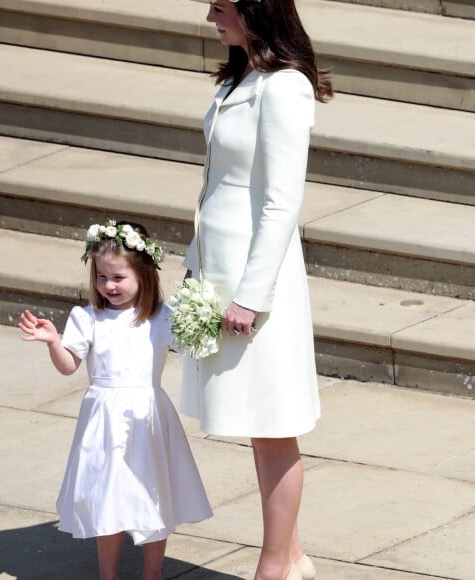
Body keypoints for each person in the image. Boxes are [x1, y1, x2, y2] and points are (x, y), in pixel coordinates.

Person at [181, 1, 333, 579]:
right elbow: (214, 183)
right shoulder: (240, 74)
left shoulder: (284, 88)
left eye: (220, 7)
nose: (209, 17)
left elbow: (281, 203)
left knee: (273, 425)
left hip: (256, 280)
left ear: (256, 9)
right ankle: (293, 558)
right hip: (220, 270)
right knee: (257, 423)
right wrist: (197, 265)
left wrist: (251, 295)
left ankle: (273, 568)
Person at [18, 220, 212, 580]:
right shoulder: (88, 318)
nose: (109, 285)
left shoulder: (160, 318)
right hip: (103, 421)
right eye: (102, 277)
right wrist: (53, 342)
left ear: (143, 275)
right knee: (106, 498)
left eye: (118, 277)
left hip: (147, 417)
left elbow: (192, 345)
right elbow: (68, 366)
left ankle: (151, 573)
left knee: (153, 495)